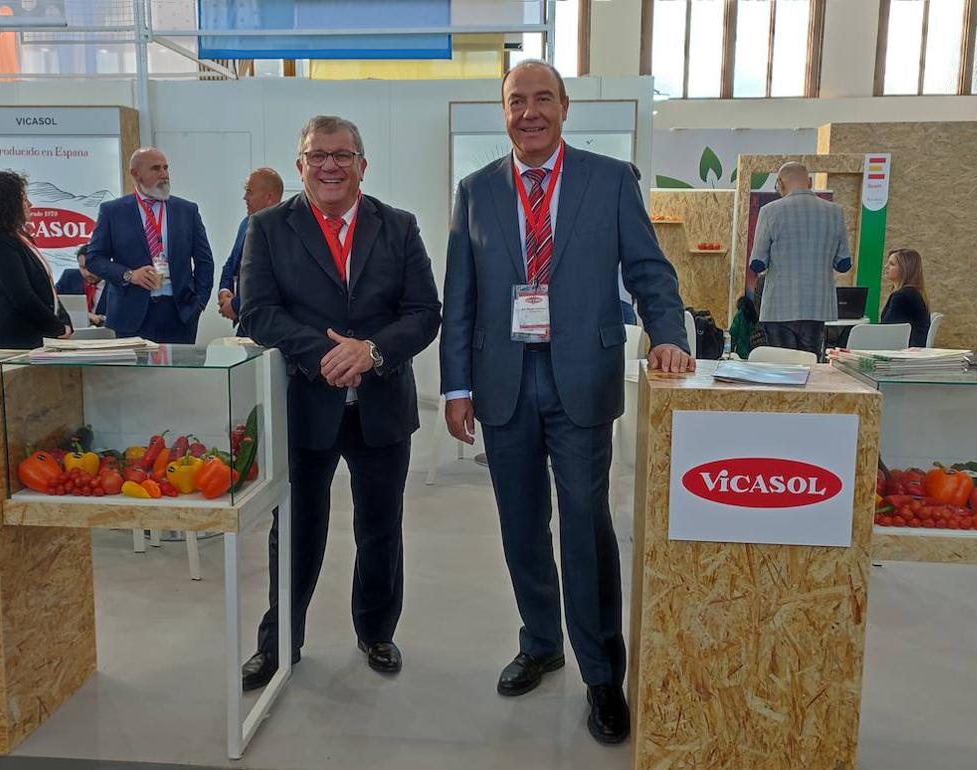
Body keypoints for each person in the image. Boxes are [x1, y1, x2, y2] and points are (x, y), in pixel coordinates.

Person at [439, 60, 693, 747]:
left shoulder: (610, 181)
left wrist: (668, 336)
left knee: (584, 526)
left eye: (541, 98)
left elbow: (648, 271)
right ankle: (541, 640)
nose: (529, 112)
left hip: (582, 376)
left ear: (564, 106)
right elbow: (459, 297)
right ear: (504, 112)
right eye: (516, 101)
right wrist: (455, 386)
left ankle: (601, 673)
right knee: (520, 524)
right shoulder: (475, 192)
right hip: (503, 383)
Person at [237, 115, 441, 691]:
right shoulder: (270, 228)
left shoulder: (398, 227)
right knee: (297, 529)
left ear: (362, 164)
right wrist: (328, 356)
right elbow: (258, 310)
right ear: (300, 165)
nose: (330, 165)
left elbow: (425, 313)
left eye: (342, 155)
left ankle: (377, 632)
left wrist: (371, 351)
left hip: (382, 405)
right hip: (306, 404)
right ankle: (280, 644)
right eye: (317, 155)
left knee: (381, 527)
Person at [87, 147, 213, 343]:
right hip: (130, 315)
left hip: (179, 314)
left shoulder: (187, 210)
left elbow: (204, 261)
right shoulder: (113, 212)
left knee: (179, 374)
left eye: (165, 168)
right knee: (136, 375)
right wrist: (129, 275)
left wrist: (199, 303)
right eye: (155, 169)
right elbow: (94, 259)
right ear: (135, 174)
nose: (164, 174)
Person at [748, 161, 852, 359]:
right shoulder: (834, 212)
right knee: (810, 368)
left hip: (778, 306)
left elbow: (757, 262)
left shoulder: (770, 211)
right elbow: (843, 263)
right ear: (810, 182)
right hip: (816, 307)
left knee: (782, 368)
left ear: (780, 182)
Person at [0, 171, 72, 350]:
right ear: (8, 204)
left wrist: (64, 321)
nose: (30, 204)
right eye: (24, 199)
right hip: (18, 340)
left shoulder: (18, 238)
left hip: (38, 336)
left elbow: (46, 287)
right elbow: (22, 296)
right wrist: (56, 326)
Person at [219, 167, 284, 332]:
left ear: (269, 197)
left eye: (249, 192)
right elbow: (232, 263)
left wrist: (235, 305)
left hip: (271, 325)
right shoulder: (246, 223)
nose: (245, 197)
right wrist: (225, 292)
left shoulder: (284, 230)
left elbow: (273, 285)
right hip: (245, 324)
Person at [880, 247, 931, 347]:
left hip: (905, 351)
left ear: (905, 269)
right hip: (913, 348)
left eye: (892, 264)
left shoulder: (903, 296)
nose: (886, 266)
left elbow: (886, 330)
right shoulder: (913, 292)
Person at [55, 244, 108, 327]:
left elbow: (124, 315)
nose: (87, 273)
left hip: (105, 334)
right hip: (72, 333)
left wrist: (102, 318)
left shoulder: (117, 284)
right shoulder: (69, 277)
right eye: (82, 267)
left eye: (92, 267)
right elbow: (50, 301)